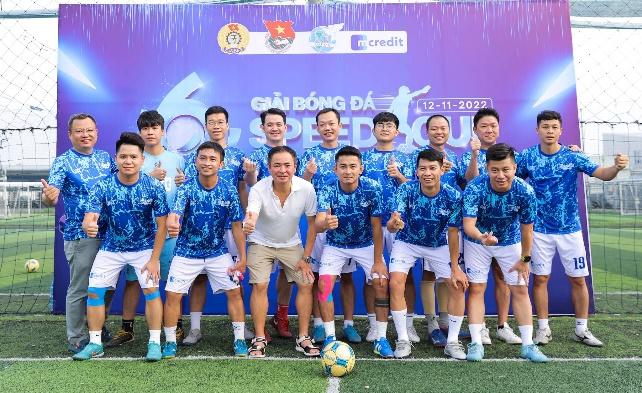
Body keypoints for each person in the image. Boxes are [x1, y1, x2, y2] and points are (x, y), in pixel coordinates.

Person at [518, 110, 629, 347]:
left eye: (554, 127)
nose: (549, 131)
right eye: (545, 126)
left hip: (570, 230)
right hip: (539, 231)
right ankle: (543, 329)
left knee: (578, 280)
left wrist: (617, 168)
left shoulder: (573, 156)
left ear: (561, 130)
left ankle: (581, 329)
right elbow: (508, 180)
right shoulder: (527, 157)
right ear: (537, 130)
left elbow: (603, 175)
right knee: (540, 279)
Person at [73, 132, 169, 361]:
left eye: (133, 157)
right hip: (111, 248)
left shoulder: (153, 187)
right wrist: (89, 225)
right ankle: (95, 343)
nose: (128, 161)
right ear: (116, 158)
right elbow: (90, 216)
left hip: (145, 249)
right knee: (94, 292)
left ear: (142, 160)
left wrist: (154, 259)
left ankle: (154, 342)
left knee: (151, 291)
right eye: (123, 156)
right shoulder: (103, 185)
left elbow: (163, 226)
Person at [107, 110, 186, 348]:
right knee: (133, 281)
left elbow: (183, 193)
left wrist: (182, 186)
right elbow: (118, 186)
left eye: (154, 128)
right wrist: (148, 177)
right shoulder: (134, 158)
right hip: (139, 234)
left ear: (163, 131)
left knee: (173, 281)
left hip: (169, 232)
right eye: (145, 128)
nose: (150, 132)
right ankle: (127, 328)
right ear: (140, 132)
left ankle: (176, 327)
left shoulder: (177, 159)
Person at [462, 143, 548, 363]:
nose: (501, 175)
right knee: (477, 288)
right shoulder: (475, 188)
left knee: (519, 289)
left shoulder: (525, 191)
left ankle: (528, 345)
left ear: (514, 167)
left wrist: (525, 258)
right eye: (495, 170)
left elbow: (527, 228)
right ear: (487, 168)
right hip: (477, 242)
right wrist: (482, 237)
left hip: (510, 243)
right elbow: (468, 224)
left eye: (506, 169)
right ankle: (476, 343)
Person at [162, 141, 248, 358]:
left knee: (235, 293)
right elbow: (175, 214)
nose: (207, 163)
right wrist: (173, 222)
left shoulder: (229, 190)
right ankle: (170, 342)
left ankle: (239, 340)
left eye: (212, 159)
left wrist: (243, 257)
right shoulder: (187, 188)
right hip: (186, 253)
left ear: (221, 163)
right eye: (203, 158)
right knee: (172, 295)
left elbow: (237, 226)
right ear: (196, 161)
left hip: (218, 252)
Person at [41, 113, 115, 353]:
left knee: (106, 286)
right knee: (80, 288)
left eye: (90, 130)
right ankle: (76, 337)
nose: (85, 135)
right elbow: (50, 196)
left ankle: (98, 326)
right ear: (70, 135)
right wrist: (48, 197)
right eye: (80, 131)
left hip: (111, 235)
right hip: (80, 236)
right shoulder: (63, 162)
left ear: (97, 133)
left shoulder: (106, 159)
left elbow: (120, 185)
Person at [181, 105, 252, 345]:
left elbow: (242, 188)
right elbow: (189, 190)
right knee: (199, 278)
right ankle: (195, 328)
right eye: (211, 122)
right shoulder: (196, 156)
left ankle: (241, 329)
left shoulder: (237, 155)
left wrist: (244, 217)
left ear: (227, 125)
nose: (216, 126)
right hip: (200, 227)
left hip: (230, 226)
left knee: (236, 274)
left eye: (220, 122)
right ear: (205, 126)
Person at [387, 149, 466, 359]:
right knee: (395, 282)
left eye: (432, 168)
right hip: (407, 242)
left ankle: (453, 342)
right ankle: (402, 339)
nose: (427, 173)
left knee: (457, 284)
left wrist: (456, 268)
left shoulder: (453, 196)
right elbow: (393, 223)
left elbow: (453, 232)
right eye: (422, 168)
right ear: (416, 171)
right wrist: (394, 224)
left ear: (442, 169)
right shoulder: (406, 190)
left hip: (438, 244)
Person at [315, 146, 393, 358]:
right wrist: (325, 223)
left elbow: (377, 226)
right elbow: (319, 221)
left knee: (381, 282)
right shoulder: (327, 187)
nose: (348, 171)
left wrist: (378, 260)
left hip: (366, 244)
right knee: (324, 286)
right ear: (335, 169)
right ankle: (330, 339)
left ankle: (381, 338)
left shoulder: (373, 188)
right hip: (335, 245)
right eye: (343, 167)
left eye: (352, 166)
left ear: (361, 168)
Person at [242, 146, 319, 358]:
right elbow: (252, 214)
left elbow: (312, 225)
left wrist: (306, 258)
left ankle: (303, 337)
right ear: (269, 167)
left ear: (295, 167)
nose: (282, 170)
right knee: (260, 285)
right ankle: (259, 338)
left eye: (287, 165)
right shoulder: (258, 188)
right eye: (277, 165)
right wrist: (249, 223)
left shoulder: (306, 188)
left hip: (291, 244)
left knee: (306, 282)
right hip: (260, 242)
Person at [457, 108, 521, 345]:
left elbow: (520, 181)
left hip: (506, 232)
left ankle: (503, 325)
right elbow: (470, 180)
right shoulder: (467, 155)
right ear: (475, 129)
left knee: (503, 278)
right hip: (477, 232)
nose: (489, 130)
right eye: (484, 126)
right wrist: (475, 154)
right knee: (477, 283)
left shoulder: (510, 155)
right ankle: (480, 327)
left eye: (493, 125)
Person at [296, 108, 359, 344]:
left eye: (332, 123)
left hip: (347, 226)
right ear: (317, 128)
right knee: (317, 277)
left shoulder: (348, 153)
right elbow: (299, 187)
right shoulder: (310, 154)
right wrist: (308, 174)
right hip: (319, 223)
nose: (327, 127)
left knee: (347, 278)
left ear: (340, 126)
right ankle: (319, 323)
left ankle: (350, 324)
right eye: (322, 124)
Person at [362, 112, 417, 344]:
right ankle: (374, 324)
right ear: (373, 130)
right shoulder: (363, 158)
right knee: (371, 276)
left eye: (390, 126)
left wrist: (399, 176)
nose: (385, 129)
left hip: (400, 223)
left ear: (397, 132)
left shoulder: (408, 157)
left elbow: (416, 189)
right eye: (380, 125)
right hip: (372, 223)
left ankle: (409, 324)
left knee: (405, 275)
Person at [244, 108, 297, 339]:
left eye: (279, 124)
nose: (274, 128)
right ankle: (260, 324)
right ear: (262, 128)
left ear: (286, 127)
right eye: (270, 124)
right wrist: (251, 173)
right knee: (260, 280)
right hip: (260, 228)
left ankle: (281, 317)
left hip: (287, 227)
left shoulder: (293, 154)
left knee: (288, 276)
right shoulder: (254, 156)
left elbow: (301, 187)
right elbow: (250, 185)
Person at [411, 114, 460, 346]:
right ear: (427, 131)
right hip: (424, 228)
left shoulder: (456, 158)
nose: (439, 132)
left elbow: (466, 183)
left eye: (443, 128)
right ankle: (431, 322)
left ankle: (445, 319)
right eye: (434, 128)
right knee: (429, 274)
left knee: (447, 275)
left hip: (448, 226)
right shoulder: (419, 156)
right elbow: (412, 185)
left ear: (449, 131)